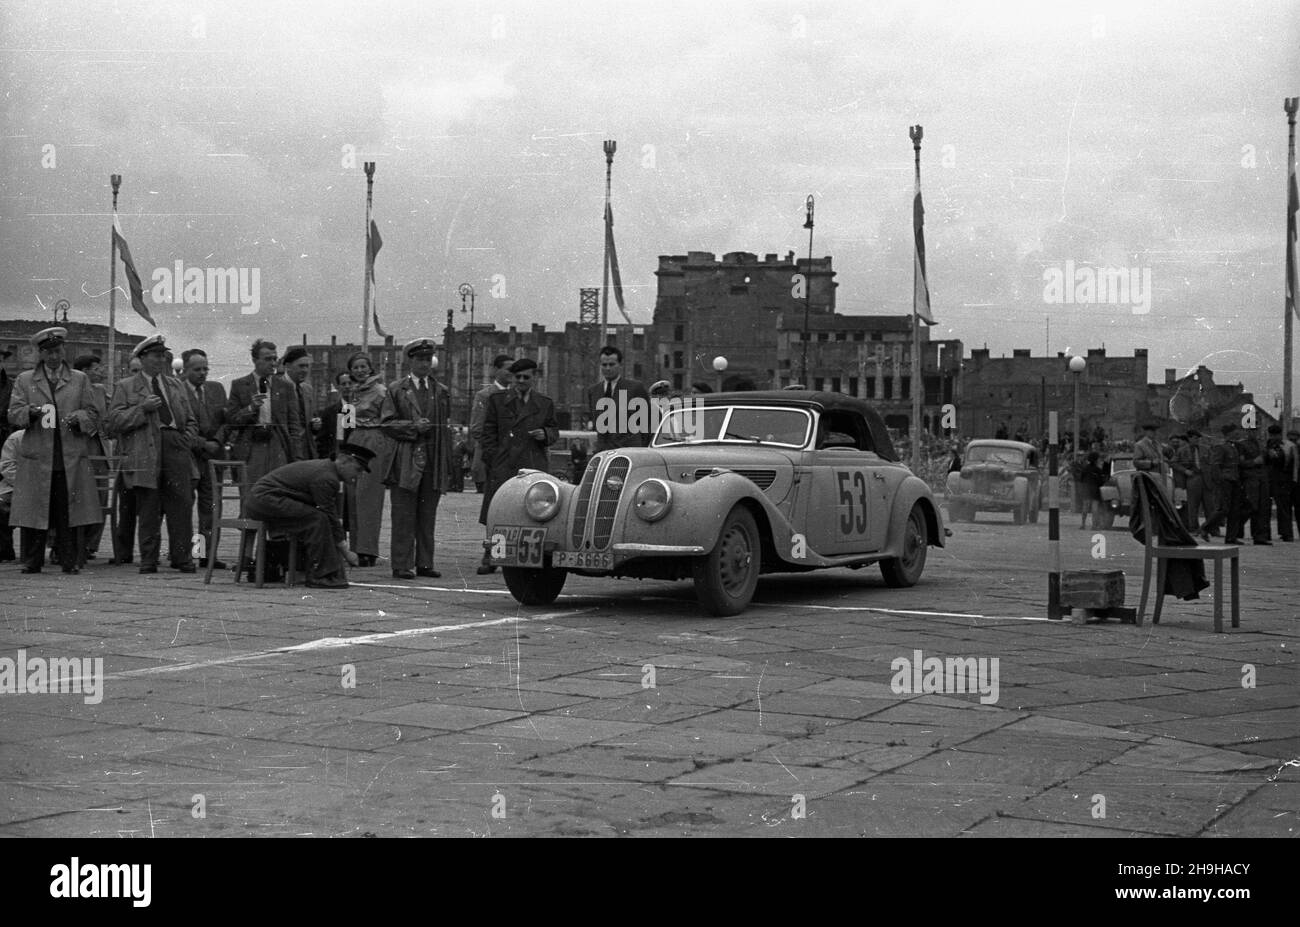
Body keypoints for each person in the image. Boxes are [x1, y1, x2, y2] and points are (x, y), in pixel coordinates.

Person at [6, 327, 102, 574]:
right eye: (48, 352)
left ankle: (69, 561)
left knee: (68, 511)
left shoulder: (79, 379)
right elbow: (13, 414)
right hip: (38, 456)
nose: (53, 356)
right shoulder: (25, 380)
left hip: (67, 457)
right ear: (40, 353)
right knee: (36, 511)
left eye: (57, 351)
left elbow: (93, 415)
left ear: (63, 351)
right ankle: (32, 561)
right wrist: (30, 413)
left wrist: (78, 418)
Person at [106, 334, 200, 574]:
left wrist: (186, 438)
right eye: (156, 356)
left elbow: (190, 419)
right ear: (143, 357)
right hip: (144, 449)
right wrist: (142, 409)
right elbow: (114, 422)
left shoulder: (175, 384)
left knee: (181, 504)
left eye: (163, 356)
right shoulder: (126, 386)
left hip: (174, 446)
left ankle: (183, 558)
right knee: (148, 506)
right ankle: (149, 559)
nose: (161, 360)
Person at [243, 443, 372, 589]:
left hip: (264, 500)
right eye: (358, 470)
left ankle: (319, 571)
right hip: (266, 501)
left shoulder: (327, 469)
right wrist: (346, 551)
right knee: (318, 520)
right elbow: (330, 516)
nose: (359, 475)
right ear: (344, 461)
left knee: (316, 518)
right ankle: (320, 575)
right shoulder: (327, 477)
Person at [381, 338, 454, 580]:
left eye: (427, 359)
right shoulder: (395, 389)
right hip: (405, 460)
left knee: (427, 514)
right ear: (409, 361)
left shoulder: (441, 391)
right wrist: (413, 427)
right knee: (403, 514)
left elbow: (446, 428)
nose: (424, 364)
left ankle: (425, 562)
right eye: (419, 359)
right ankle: (401, 564)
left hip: (433, 459)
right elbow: (387, 423)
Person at [479, 357, 559, 573]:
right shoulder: (497, 400)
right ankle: (494, 556)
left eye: (526, 377)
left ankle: (529, 557)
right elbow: (488, 433)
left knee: (532, 510)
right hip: (504, 464)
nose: (521, 381)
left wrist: (546, 434)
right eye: (518, 377)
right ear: (512, 378)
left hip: (531, 464)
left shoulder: (544, 403)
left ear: (534, 378)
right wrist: (494, 459)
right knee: (498, 512)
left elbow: (554, 431)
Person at [225, 339, 303, 499]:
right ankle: (249, 524)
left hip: (278, 445)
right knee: (251, 494)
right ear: (255, 360)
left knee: (277, 492)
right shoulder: (240, 385)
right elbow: (232, 420)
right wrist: (250, 408)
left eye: (275, 359)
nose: (273, 363)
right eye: (267, 359)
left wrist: (296, 455)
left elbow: (294, 424)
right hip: (252, 445)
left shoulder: (285, 387)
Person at [178, 349, 229, 568]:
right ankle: (186, 553)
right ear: (185, 370)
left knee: (210, 509)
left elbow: (226, 419)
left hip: (213, 458)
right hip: (188, 457)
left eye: (205, 369)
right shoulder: (177, 390)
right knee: (186, 507)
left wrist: (216, 442)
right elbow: (180, 426)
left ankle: (206, 555)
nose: (202, 373)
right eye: (197, 369)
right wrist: (201, 443)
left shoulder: (216, 389)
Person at [341, 352, 391, 567]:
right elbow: (347, 422)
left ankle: (368, 550)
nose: (360, 371)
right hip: (355, 438)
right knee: (353, 497)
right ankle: (355, 548)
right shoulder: (352, 392)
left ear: (370, 368)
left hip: (373, 439)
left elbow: (387, 419)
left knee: (370, 497)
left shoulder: (380, 390)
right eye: (355, 368)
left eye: (363, 366)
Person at [71, 354, 109, 561]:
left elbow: (109, 416)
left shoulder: (101, 391)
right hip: (78, 448)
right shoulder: (71, 389)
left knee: (101, 499)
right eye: (96, 368)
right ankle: (70, 544)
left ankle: (90, 545)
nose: (101, 371)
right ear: (84, 371)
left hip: (99, 449)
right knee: (78, 498)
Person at [110, 356, 144, 563]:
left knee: (153, 511)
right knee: (127, 508)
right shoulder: (123, 389)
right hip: (130, 458)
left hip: (153, 460)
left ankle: (150, 554)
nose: (136, 374)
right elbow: (115, 422)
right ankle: (124, 554)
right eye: (133, 370)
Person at [469, 354, 513, 496]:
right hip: (491, 459)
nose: (511, 373)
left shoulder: (517, 395)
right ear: (495, 370)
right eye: (508, 369)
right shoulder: (484, 396)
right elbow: (476, 428)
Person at [1202, 423, 1243, 543]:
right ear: (1229, 433)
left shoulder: (1234, 447)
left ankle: (1231, 537)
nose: (1238, 433)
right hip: (1225, 481)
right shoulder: (1221, 447)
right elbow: (1215, 465)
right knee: (1223, 509)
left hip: (1234, 481)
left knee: (1235, 510)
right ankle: (1205, 528)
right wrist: (1219, 481)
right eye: (1236, 431)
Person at [1232, 424, 1269, 545]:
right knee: (1250, 506)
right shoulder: (1242, 444)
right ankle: (1234, 530)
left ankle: (1260, 536)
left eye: (1256, 430)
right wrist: (1253, 462)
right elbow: (1240, 463)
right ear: (1247, 431)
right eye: (1252, 430)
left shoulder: (1261, 444)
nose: (1254, 433)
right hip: (1250, 478)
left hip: (1262, 478)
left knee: (1262, 507)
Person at [282, 346, 319, 461]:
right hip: (286, 449)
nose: (305, 370)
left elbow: (310, 418)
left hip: (306, 450)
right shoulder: (277, 388)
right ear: (288, 367)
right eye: (301, 366)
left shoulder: (307, 390)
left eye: (307, 366)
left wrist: (315, 426)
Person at [1263, 424, 1293, 543]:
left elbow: (1286, 462)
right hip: (1269, 479)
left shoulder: (1286, 446)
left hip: (1281, 479)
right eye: (1272, 435)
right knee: (1265, 508)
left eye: (1275, 435)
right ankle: (1266, 533)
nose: (1274, 437)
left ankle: (1286, 533)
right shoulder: (1267, 445)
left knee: (1283, 508)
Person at [315, 371, 352, 460]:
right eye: (343, 384)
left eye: (350, 383)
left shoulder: (363, 411)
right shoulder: (329, 412)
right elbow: (322, 440)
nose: (347, 387)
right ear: (338, 387)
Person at [1179, 427, 1210, 533]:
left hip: (1205, 479)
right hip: (1193, 478)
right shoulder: (1182, 450)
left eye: (1198, 438)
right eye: (1195, 438)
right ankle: (1193, 527)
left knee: (1209, 505)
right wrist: (1185, 470)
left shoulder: (1205, 449)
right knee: (1193, 505)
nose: (1197, 440)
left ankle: (1211, 528)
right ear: (1189, 438)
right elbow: (1173, 463)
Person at [0, 428, 22, 561]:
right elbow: (7, 466)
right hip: (14, 487)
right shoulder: (16, 438)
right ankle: (4, 550)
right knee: (1, 506)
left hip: (44, 489)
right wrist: (24, 485)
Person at [1076, 450, 1107, 529]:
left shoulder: (1085, 468)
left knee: (1085, 507)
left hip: (1086, 490)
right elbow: (1101, 481)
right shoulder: (1098, 470)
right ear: (1096, 459)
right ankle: (1094, 525)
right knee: (1095, 509)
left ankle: (1083, 524)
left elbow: (1081, 479)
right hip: (1095, 491)